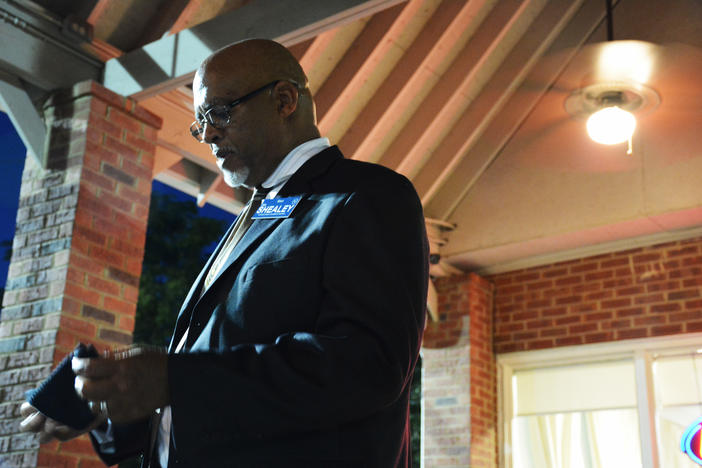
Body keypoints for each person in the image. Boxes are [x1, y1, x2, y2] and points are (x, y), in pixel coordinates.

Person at [20, 38, 429, 467]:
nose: (209, 133)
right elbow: (211, 381)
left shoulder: (368, 196)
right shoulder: (254, 215)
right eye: (201, 123)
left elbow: (365, 366)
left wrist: (174, 380)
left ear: (285, 100)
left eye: (219, 112)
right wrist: (112, 399)